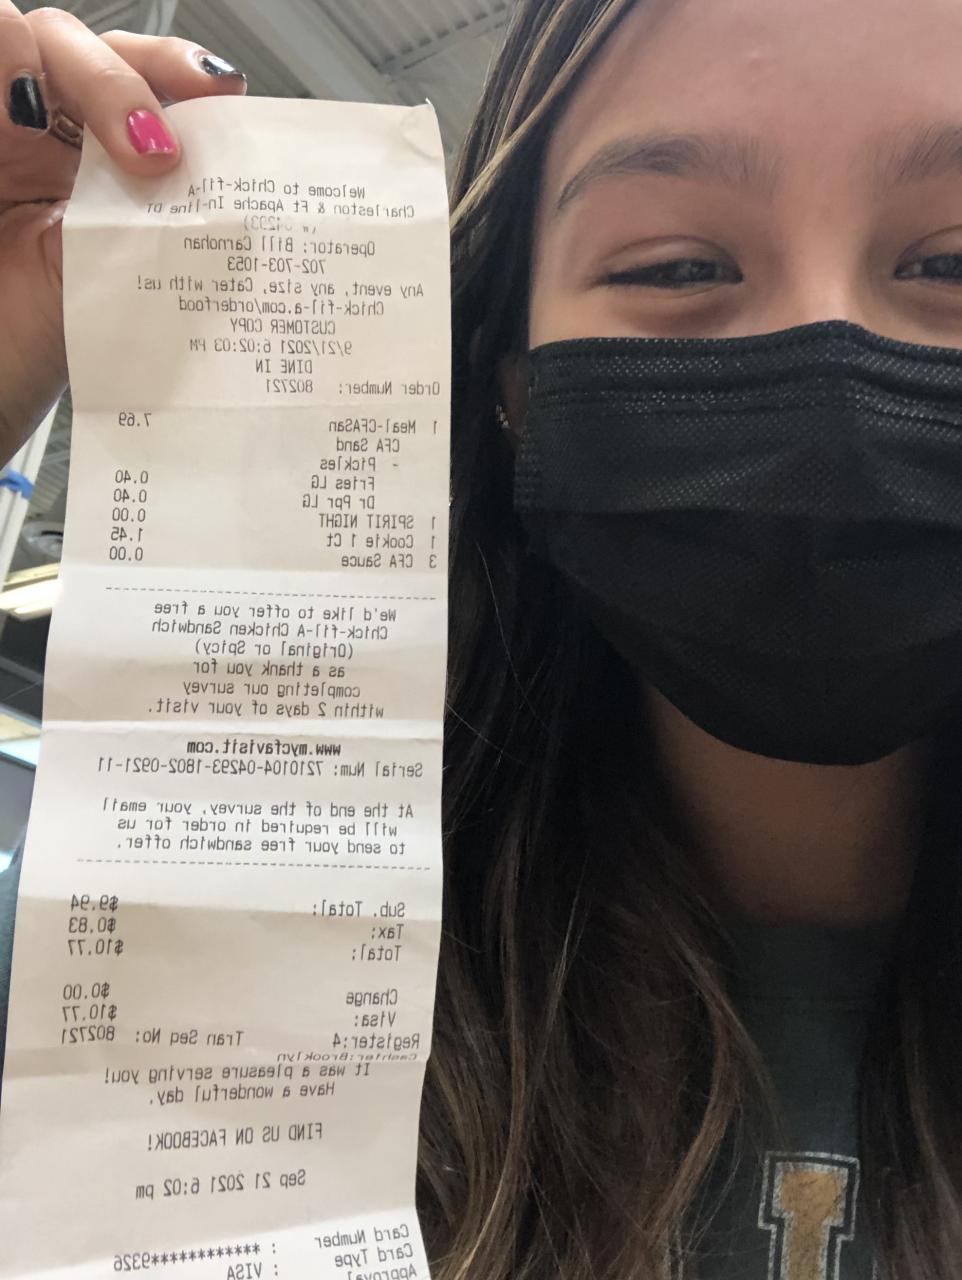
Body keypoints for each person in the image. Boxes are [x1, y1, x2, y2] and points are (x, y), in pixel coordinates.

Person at [4, 0, 962, 1275]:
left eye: (952, 265)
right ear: (512, 393)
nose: (828, 357)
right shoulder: (118, 958)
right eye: (675, 267)